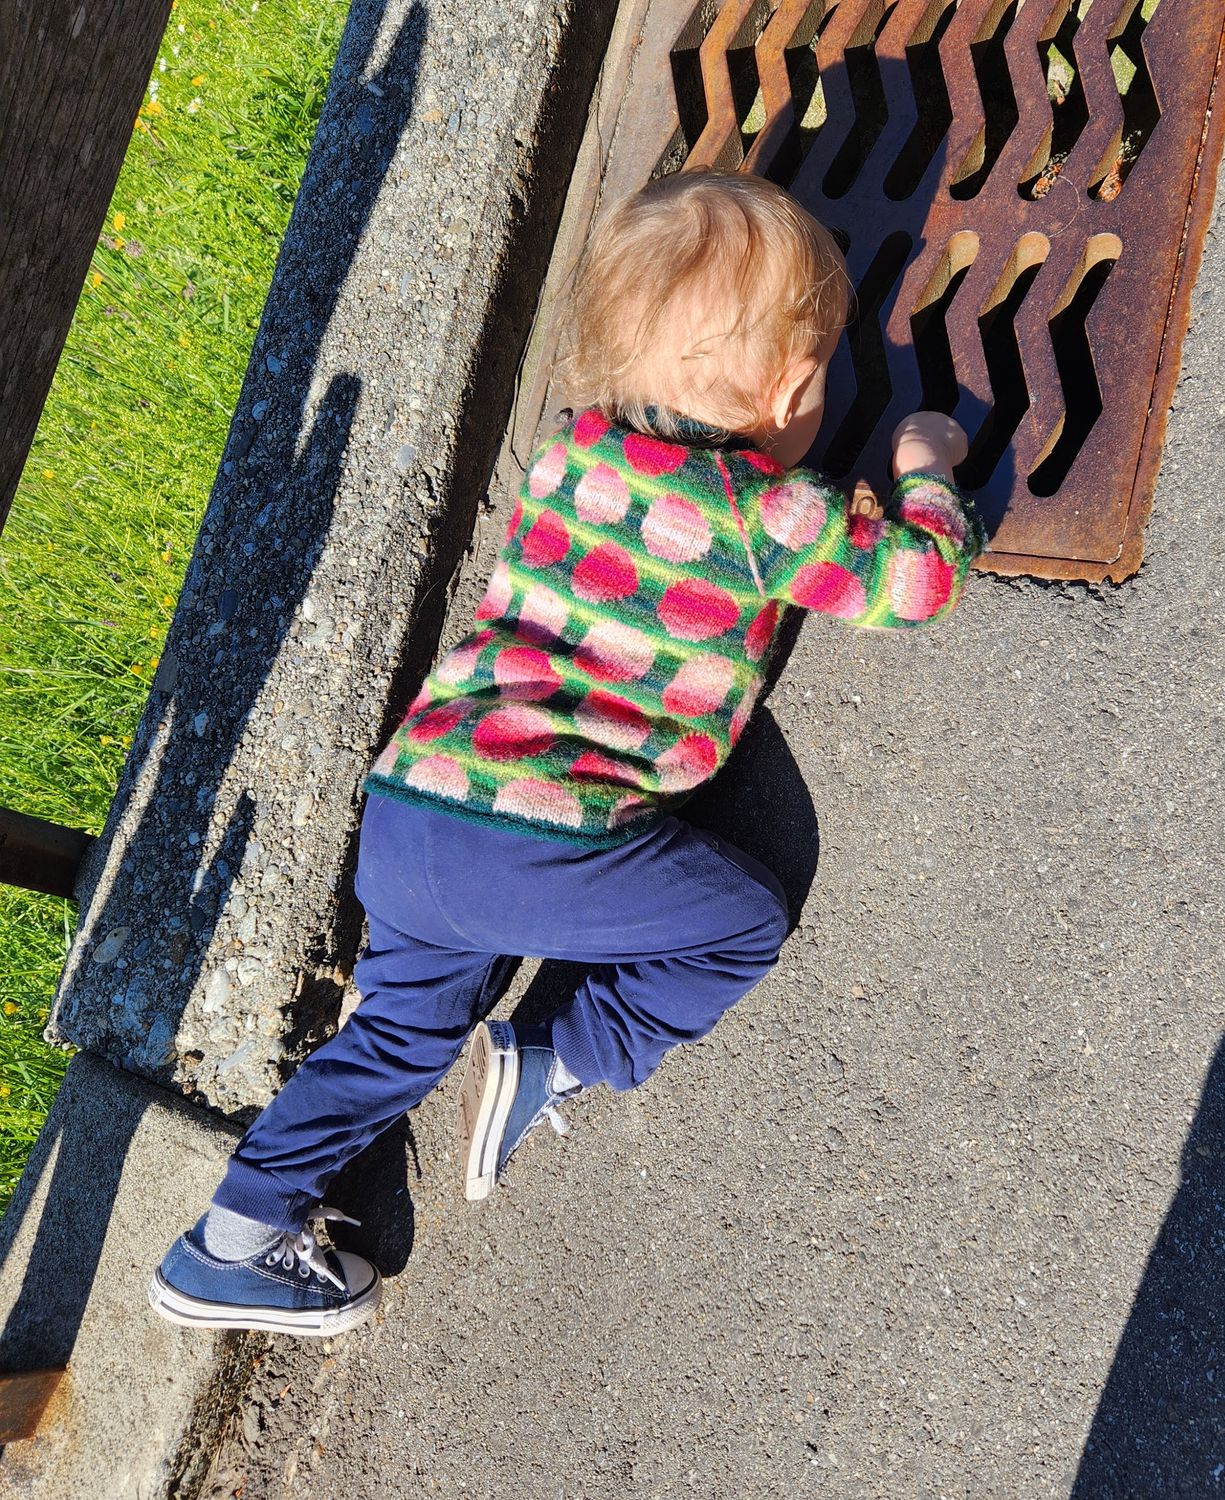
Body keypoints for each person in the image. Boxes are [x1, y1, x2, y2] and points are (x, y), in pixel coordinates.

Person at [148, 167, 983, 1336]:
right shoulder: (771, 517)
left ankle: (229, 1240)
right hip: (543, 843)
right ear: (796, 388)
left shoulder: (569, 451)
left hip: (412, 806)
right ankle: (559, 1052)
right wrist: (926, 471)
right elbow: (914, 584)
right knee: (741, 920)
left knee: (394, 1038)